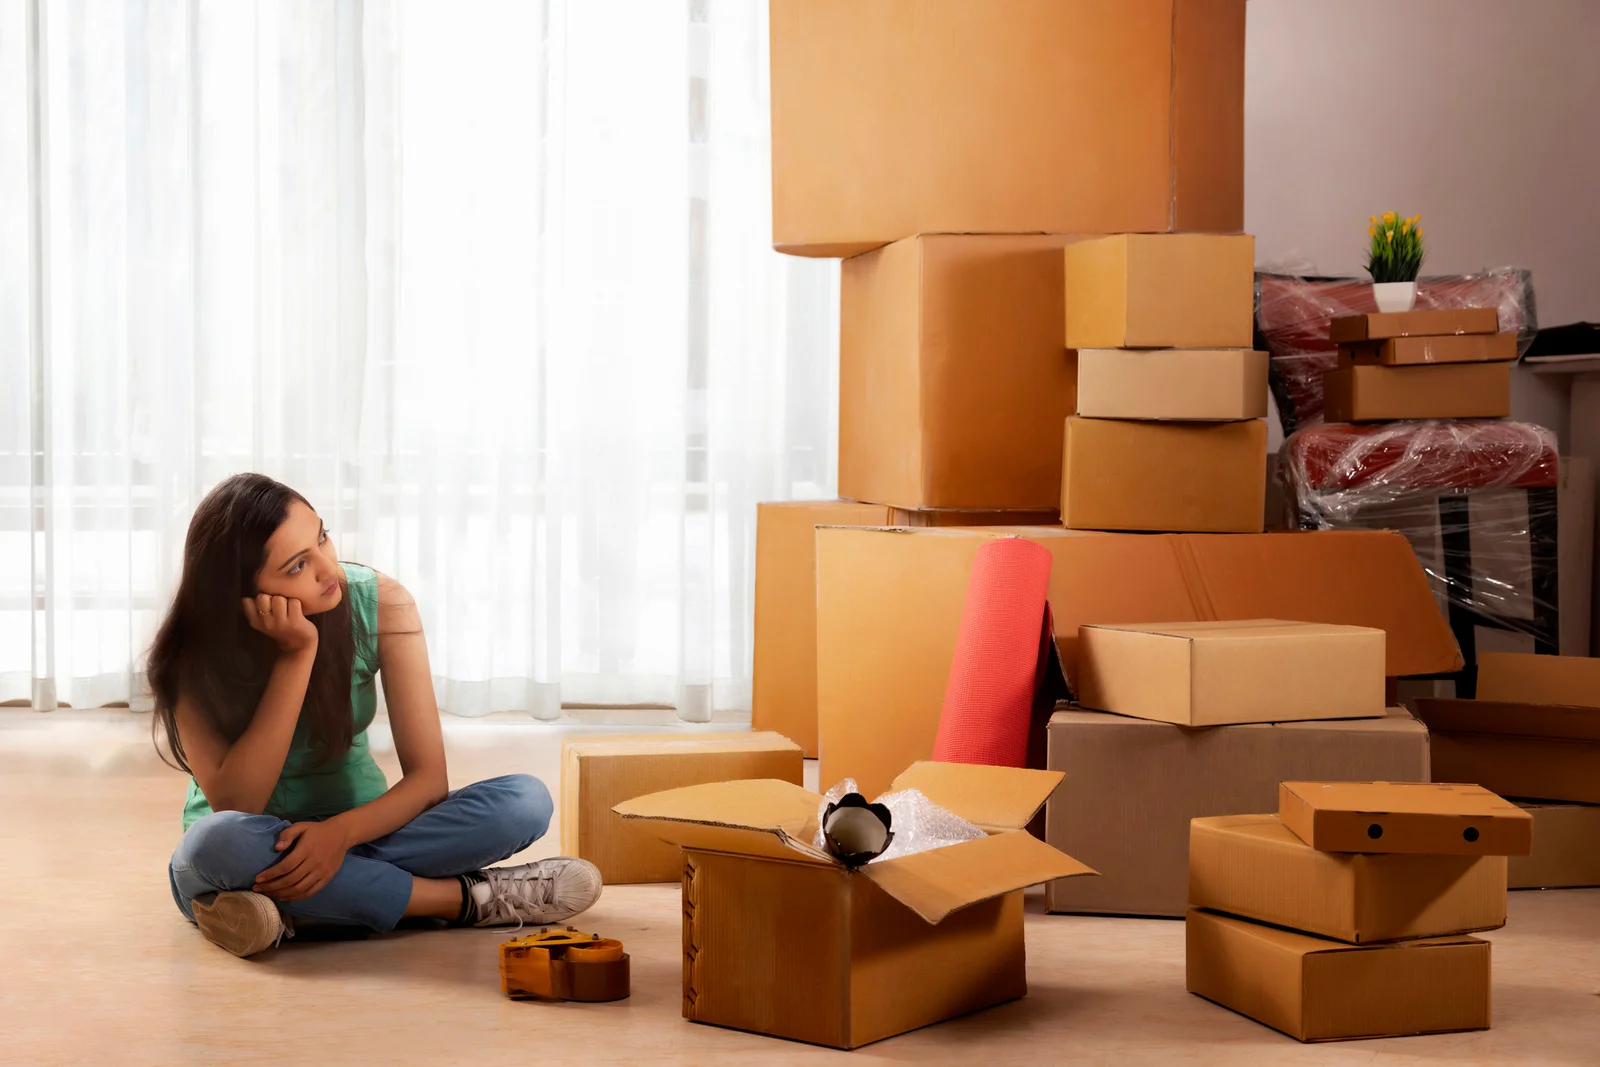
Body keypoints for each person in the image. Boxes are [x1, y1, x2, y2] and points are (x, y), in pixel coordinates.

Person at [147, 473, 601, 958]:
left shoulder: (380, 602)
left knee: (524, 801)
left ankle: (289, 909)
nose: (329, 569)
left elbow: (428, 781)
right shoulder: (191, 653)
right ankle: (464, 899)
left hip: (362, 829)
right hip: (248, 847)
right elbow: (237, 802)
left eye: (322, 537)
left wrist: (337, 837)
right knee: (214, 845)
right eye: (298, 565)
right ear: (240, 591)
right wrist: (297, 655)